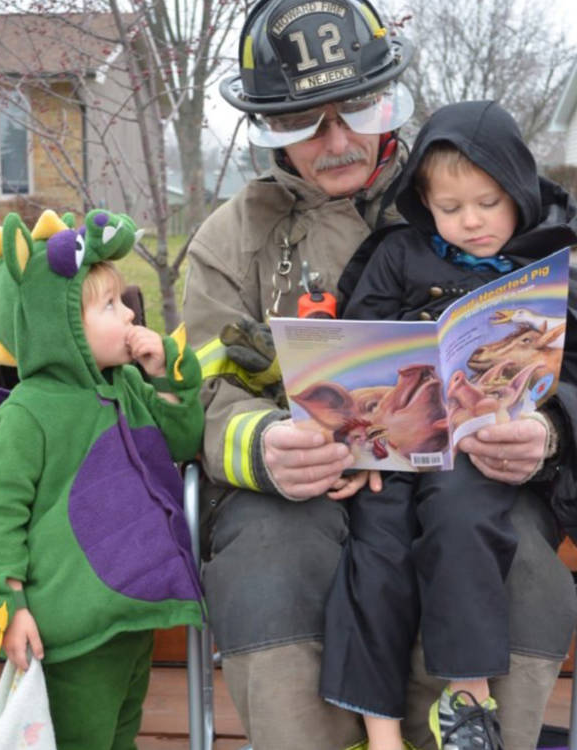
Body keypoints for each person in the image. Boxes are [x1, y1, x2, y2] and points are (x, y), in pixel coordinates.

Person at [183, 1, 577, 748]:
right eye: (304, 123)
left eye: (355, 111)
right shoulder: (229, 243)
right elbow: (195, 394)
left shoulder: (485, 198)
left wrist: (548, 432)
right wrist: (264, 444)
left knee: (521, 569)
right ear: (270, 126)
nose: (336, 143)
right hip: (295, 492)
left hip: (477, 472)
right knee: (270, 572)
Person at [319, 100, 577, 750]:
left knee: (462, 519)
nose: (471, 221)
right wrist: (355, 437)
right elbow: (357, 345)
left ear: (517, 188)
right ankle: (380, 733)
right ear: (424, 203)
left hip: (485, 444)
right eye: (450, 207)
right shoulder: (398, 254)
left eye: (488, 202)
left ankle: (467, 700)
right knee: (374, 546)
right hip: (395, 440)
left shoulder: (554, 261)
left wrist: (544, 425)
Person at [0, 208, 204, 749]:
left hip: (134, 614)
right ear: (61, 327)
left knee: (121, 733)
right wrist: (5, 607)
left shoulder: (125, 386)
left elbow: (180, 440)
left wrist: (165, 379)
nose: (129, 315)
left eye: (125, 301)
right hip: (72, 629)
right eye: (109, 305)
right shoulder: (30, 413)